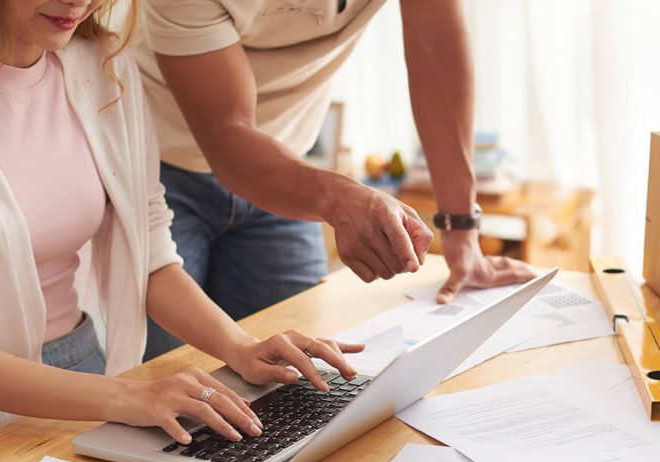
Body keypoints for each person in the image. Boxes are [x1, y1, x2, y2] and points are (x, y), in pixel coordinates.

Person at [0, 0, 363, 462]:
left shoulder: (103, 67)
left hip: (87, 367)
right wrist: (132, 398)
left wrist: (241, 347)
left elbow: (149, 256)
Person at [135, 0, 537, 359]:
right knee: (172, 379)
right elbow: (227, 133)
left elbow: (434, 42)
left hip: (287, 170)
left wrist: (462, 230)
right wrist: (340, 198)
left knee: (307, 377)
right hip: (158, 170)